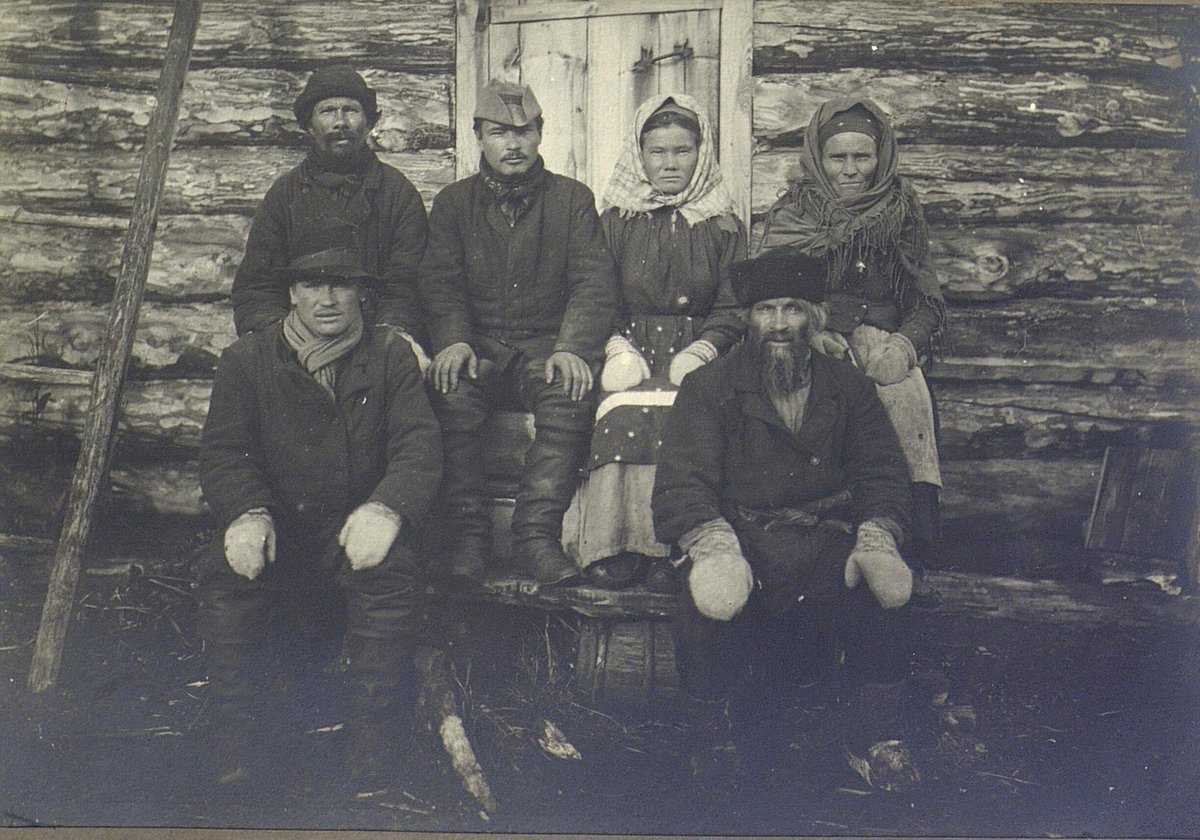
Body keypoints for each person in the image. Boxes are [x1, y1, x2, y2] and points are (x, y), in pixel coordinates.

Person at [652, 248, 918, 786]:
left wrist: (875, 538)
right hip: (744, 538)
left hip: (826, 538)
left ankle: (873, 742)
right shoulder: (710, 387)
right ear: (747, 319)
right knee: (705, 611)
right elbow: (684, 483)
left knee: (886, 602)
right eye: (765, 310)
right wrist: (714, 547)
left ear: (813, 316)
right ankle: (713, 743)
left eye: (792, 309)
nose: (778, 325)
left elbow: (883, 471)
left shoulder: (849, 386)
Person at [197, 239, 442, 791]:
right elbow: (222, 452)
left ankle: (372, 754)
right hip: (279, 524)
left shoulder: (388, 354)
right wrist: (246, 513)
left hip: (353, 524)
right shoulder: (247, 359)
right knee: (226, 572)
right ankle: (237, 743)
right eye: (311, 285)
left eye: (342, 284)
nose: (327, 299)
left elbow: (418, 447)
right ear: (291, 292)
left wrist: (387, 507)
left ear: (362, 293)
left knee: (392, 574)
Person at [418, 80, 619, 586]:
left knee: (569, 393)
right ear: (478, 137)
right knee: (450, 391)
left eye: (524, 131)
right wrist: (454, 340)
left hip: (545, 346)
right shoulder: (452, 204)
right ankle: (470, 539)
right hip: (478, 346)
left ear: (540, 134)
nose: (514, 144)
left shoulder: (572, 200)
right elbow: (441, 285)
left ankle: (534, 537)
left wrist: (572, 348)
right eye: (499, 132)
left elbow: (592, 283)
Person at [562, 92, 746, 589]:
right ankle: (615, 542)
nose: (669, 164)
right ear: (639, 156)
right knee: (623, 414)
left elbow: (734, 304)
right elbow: (596, 293)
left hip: (700, 351)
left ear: (701, 153)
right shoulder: (615, 221)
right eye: (657, 152)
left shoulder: (723, 224)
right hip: (631, 349)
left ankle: (678, 546)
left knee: (688, 419)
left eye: (682, 151)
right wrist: (617, 347)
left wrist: (706, 347)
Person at [759, 97, 945, 564]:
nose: (849, 169)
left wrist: (904, 346)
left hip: (883, 343)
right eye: (836, 157)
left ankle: (899, 538)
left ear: (880, 157)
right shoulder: (792, 214)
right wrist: (813, 331)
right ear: (818, 160)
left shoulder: (901, 212)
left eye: (861, 157)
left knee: (904, 397)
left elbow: (927, 300)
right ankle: (821, 537)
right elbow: (773, 294)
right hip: (816, 340)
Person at [231, 65, 431, 368]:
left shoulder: (397, 193)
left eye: (351, 110)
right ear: (309, 126)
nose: (340, 122)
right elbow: (257, 287)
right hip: (298, 346)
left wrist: (392, 335)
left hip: (374, 346)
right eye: (327, 111)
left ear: (369, 123)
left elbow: (406, 283)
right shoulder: (284, 195)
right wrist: (282, 339)